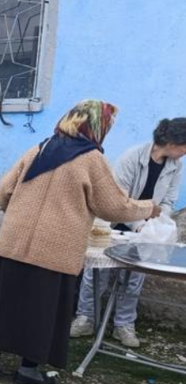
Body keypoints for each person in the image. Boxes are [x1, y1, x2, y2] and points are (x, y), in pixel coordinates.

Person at [0, 100, 161, 384]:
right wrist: (148, 208)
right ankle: (28, 369)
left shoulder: (42, 147)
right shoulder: (91, 159)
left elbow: (5, 189)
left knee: (6, 300)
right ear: (97, 127)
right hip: (54, 249)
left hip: (12, 241)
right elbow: (113, 207)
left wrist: (14, 215)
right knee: (41, 309)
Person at [70, 118, 186, 347]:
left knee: (135, 276)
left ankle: (124, 325)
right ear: (173, 142)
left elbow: (169, 200)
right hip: (113, 222)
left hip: (146, 224)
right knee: (98, 272)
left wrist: (157, 224)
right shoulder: (133, 157)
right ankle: (86, 318)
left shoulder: (176, 165)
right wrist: (139, 223)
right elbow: (117, 200)